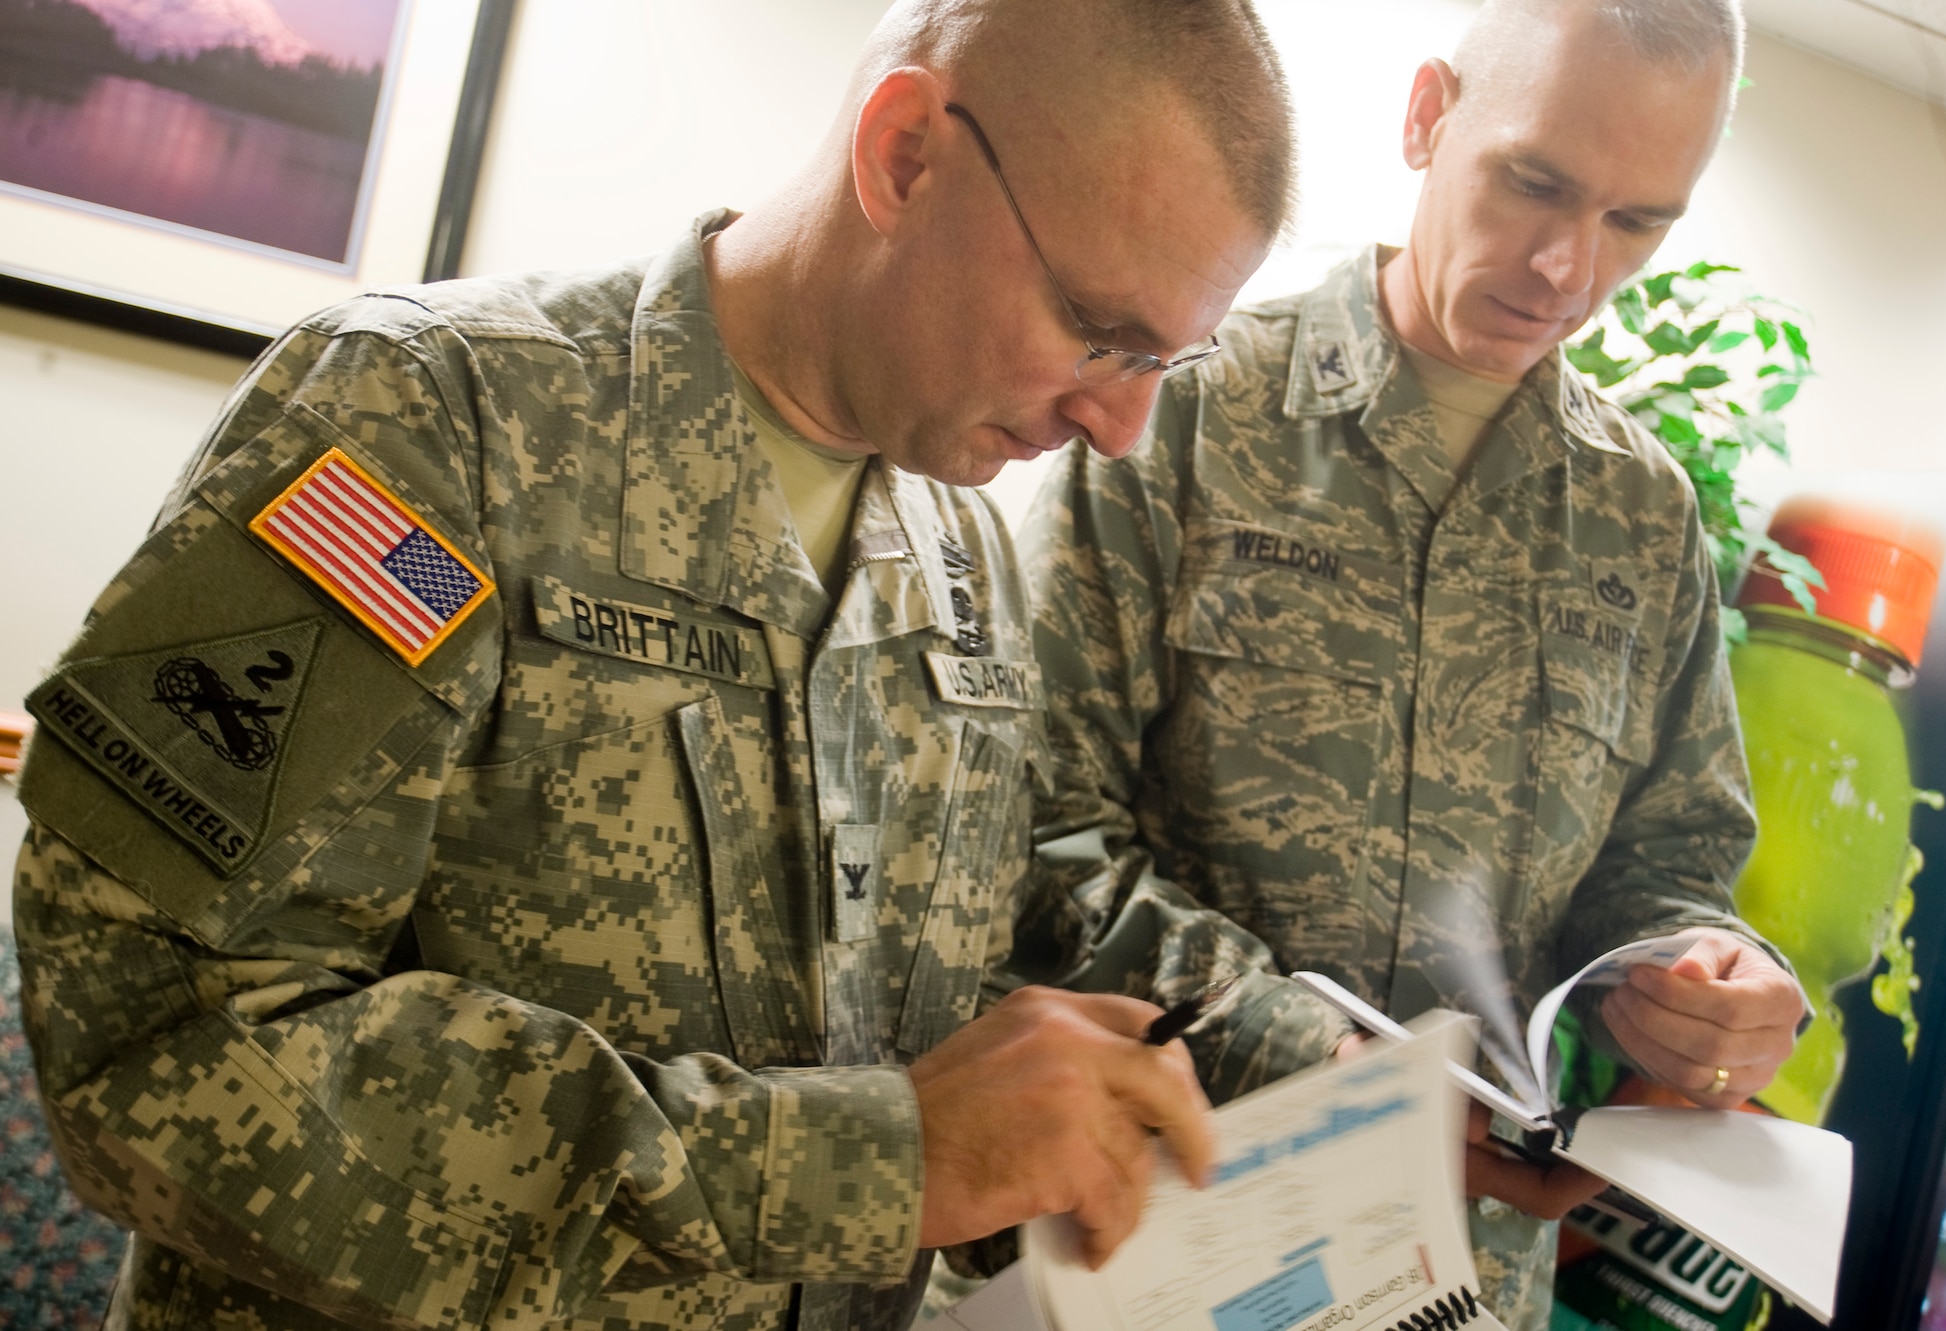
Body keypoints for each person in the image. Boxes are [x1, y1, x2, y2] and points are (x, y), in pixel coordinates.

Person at [9, 2, 1298, 1327]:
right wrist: (873, 1160)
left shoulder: (961, 558)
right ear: (905, 155)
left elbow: (913, 1005)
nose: (1123, 427)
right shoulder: (429, 429)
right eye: (1095, 326)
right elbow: (148, 1039)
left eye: (1164, 360)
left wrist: (1052, 1140)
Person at [1016, 1, 1810, 1327]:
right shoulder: (1186, 409)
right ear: (1427, 116)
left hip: (1453, 1275)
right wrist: (1317, 1061)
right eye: (1535, 182)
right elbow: (1024, 825)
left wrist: (1707, 989)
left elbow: (1668, 866)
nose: (1565, 267)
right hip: (1161, 1231)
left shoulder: (1643, 516)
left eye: (1636, 222)